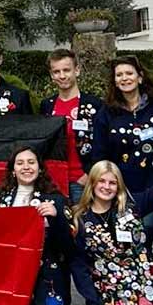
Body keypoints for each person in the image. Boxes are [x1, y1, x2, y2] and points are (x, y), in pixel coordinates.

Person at [0, 146, 85, 305]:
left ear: (40, 169)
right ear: (12, 169)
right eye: (20, 163)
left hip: (44, 281)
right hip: (11, 281)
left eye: (31, 162)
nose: (26, 167)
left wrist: (57, 218)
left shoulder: (56, 200)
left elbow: (70, 248)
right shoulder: (1, 199)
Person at [69, 161, 153, 305]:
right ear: (91, 183)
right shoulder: (79, 219)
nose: (107, 187)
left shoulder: (132, 207)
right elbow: (79, 268)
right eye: (101, 181)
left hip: (140, 289)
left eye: (113, 182)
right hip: (106, 295)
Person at [91, 56, 153, 248]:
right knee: (120, 244)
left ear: (140, 77)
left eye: (129, 73)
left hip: (150, 187)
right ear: (114, 81)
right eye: (119, 75)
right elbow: (99, 154)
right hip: (118, 191)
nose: (124, 78)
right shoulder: (106, 113)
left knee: (144, 241)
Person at [39, 49, 104, 204]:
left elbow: (102, 144)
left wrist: (90, 175)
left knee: (82, 227)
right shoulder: (46, 106)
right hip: (53, 181)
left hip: (82, 181)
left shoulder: (94, 104)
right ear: (51, 75)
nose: (62, 76)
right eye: (56, 71)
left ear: (77, 70)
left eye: (66, 70)